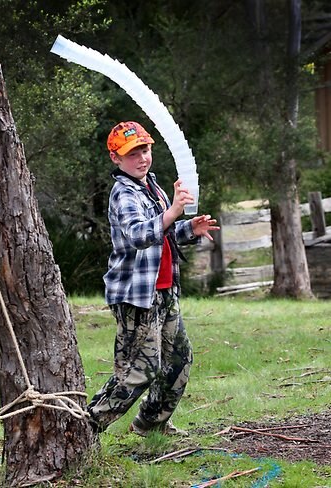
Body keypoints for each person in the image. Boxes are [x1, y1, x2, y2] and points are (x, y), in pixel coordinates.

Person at [87, 121, 219, 437]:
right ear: (116, 159)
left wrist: (190, 229)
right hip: (136, 295)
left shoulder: (152, 187)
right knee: (138, 370)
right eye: (132, 153)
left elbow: (165, 233)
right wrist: (174, 210)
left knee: (178, 360)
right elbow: (138, 234)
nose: (142, 158)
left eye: (145, 150)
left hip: (164, 291)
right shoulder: (123, 193)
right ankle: (86, 426)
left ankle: (150, 423)